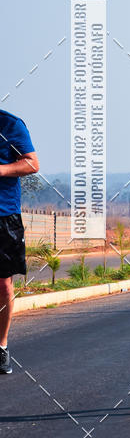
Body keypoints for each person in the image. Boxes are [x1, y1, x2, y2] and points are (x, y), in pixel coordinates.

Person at [0, 110, 39, 375]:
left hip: (3, 216)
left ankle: (0, 347)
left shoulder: (10, 124)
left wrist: (1, 169)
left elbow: (32, 164)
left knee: (3, 284)